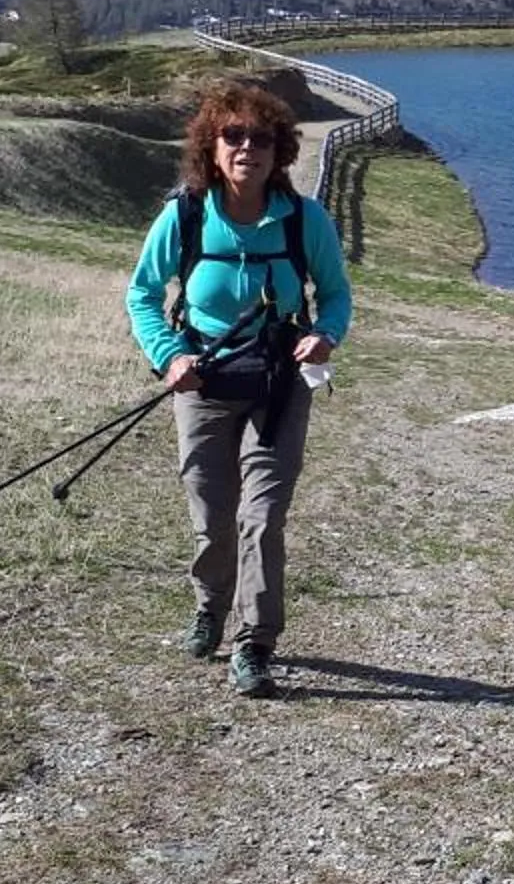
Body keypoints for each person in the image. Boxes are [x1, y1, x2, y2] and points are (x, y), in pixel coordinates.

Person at [125, 79, 353, 698]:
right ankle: (209, 609)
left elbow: (335, 294)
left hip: (279, 389)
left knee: (263, 517)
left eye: (262, 138)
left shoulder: (305, 219)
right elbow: (143, 294)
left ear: (280, 151)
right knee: (212, 517)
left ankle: (254, 643)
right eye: (233, 135)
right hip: (201, 385)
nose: (247, 147)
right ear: (212, 145)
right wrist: (170, 357)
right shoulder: (186, 215)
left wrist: (325, 335)